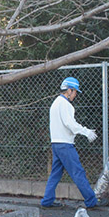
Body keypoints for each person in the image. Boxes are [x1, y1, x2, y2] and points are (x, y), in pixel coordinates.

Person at [40, 77, 100, 209]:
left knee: (55, 174)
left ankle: (47, 201)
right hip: (65, 144)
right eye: (75, 92)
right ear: (69, 90)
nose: (76, 95)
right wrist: (85, 131)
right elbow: (70, 124)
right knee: (78, 172)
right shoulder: (65, 104)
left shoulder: (56, 103)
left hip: (56, 143)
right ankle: (91, 201)